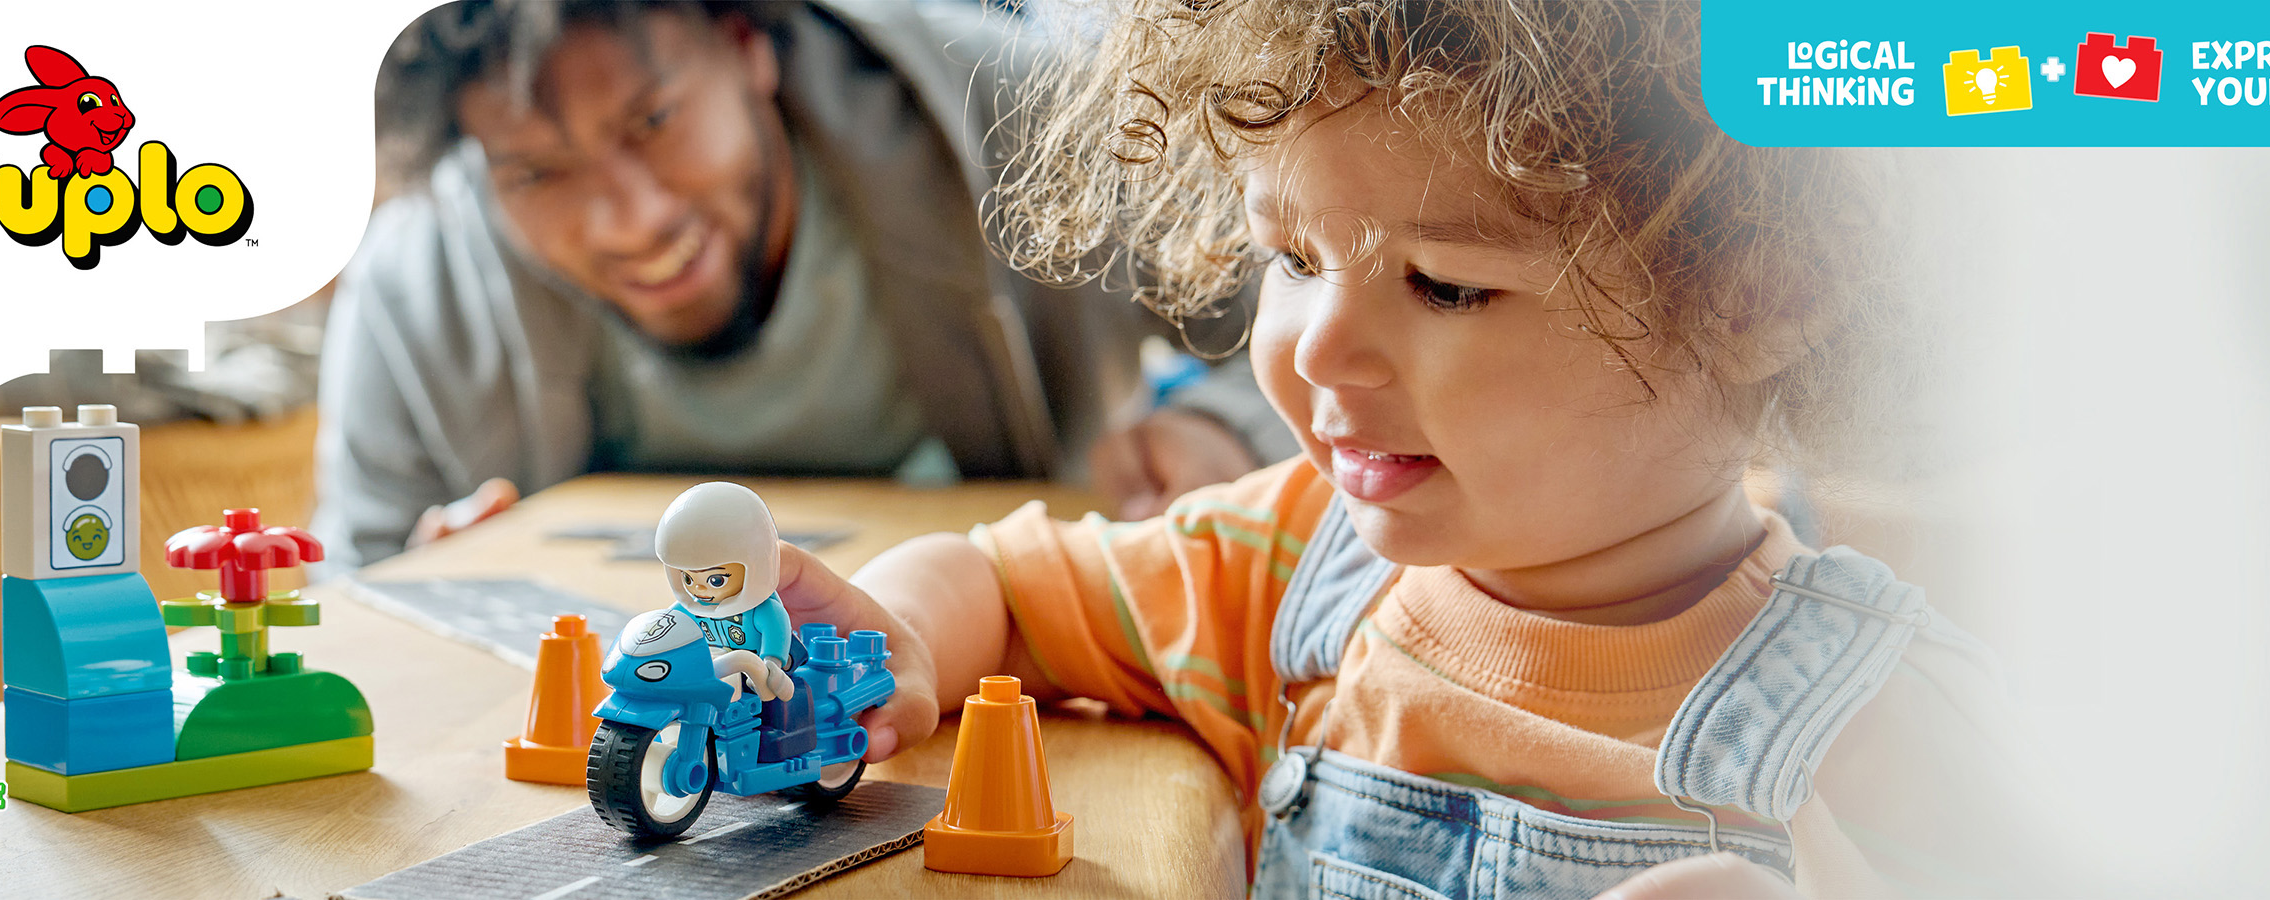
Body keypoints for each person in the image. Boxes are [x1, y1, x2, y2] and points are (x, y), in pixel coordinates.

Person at [762, 2, 2054, 896]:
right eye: (1291, 258)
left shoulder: (1887, 719)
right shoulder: (1285, 569)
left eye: (1441, 285)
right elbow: (1004, 586)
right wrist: (898, 639)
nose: (1316, 350)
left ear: (1757, 300)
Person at [315, 0, 1292, 571]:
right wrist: (427, 579)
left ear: (747, 43)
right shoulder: (415, 273)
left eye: (652, 122)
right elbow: (355, 581)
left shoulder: (1023, 113)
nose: (627, 219)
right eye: (535, 173)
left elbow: (1327, 300)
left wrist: (1230, 428)